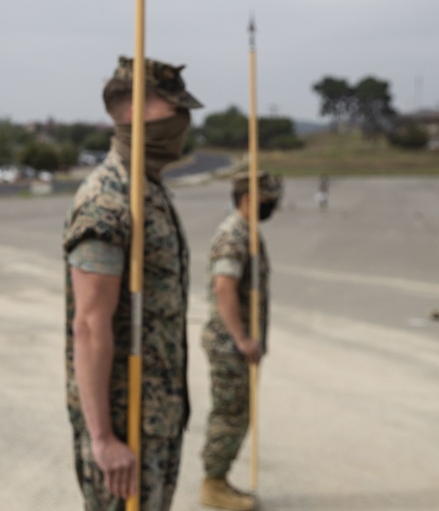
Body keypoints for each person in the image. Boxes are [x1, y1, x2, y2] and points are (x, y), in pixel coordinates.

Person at [63, 56, 202, 511]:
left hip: (159, 416)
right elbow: (89, 324)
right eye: (173, 108)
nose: (183, 121)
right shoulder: (108, 199)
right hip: (126, 425)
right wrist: (103, 439)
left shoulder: (150, 190)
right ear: (130, 111)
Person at [199, 172, 283, 511]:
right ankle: (213, 484)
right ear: (249, 198)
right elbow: (224, 286)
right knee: (230, 414)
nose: (272, 205)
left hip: (238, 343)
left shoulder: (248, 233)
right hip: (229, 344)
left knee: (238, 413)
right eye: (267, 198)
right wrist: (242, 338)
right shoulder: (233, 235)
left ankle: (219, 478)